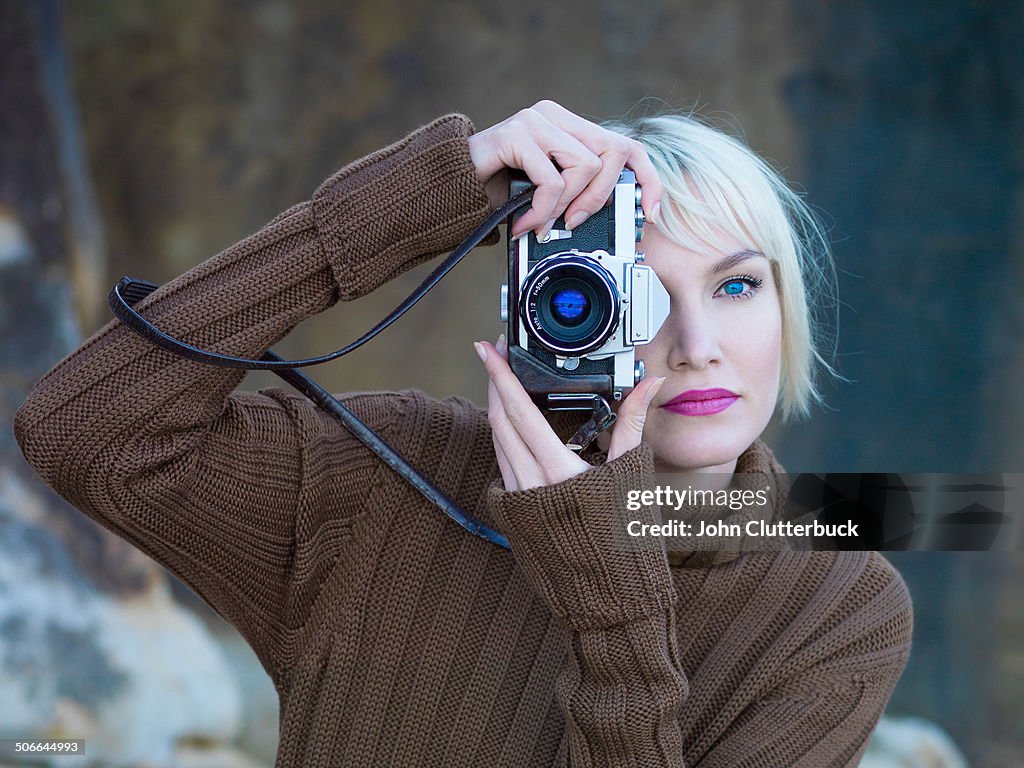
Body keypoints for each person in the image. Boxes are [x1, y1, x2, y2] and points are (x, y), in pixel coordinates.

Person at [14, 100, 913, 767]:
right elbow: (81, 428)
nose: (698, 347)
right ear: (548, 301)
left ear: (788, 301)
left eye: (738, 285)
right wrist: (419, 201)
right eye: (635, 293)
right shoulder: (388, 478)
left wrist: (607, 591)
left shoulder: (836, 608)